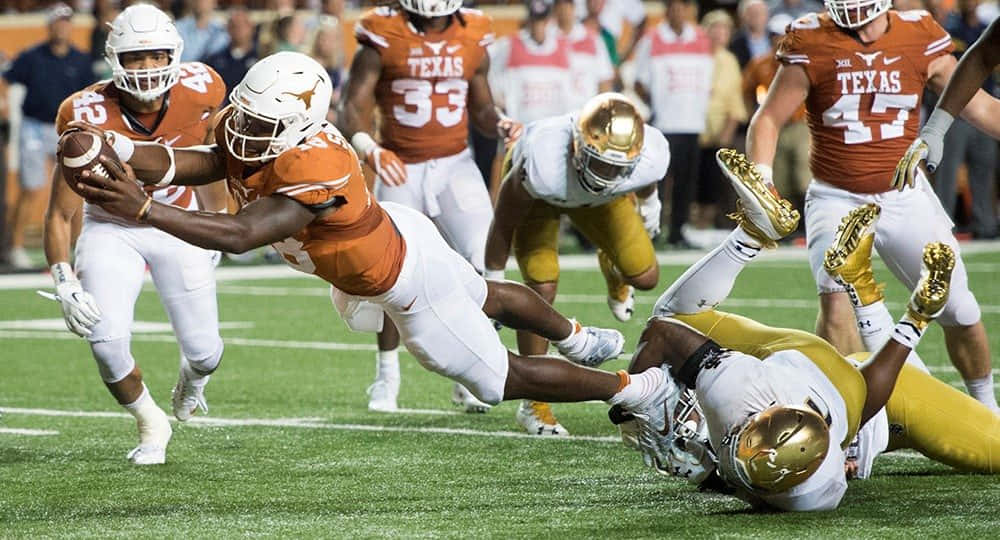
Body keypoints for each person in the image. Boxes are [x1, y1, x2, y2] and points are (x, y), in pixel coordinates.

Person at [70, 52, 666, 455]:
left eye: (258, 122)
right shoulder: (268, 123)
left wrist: (144, 209)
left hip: (403, 281)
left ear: (303, 124)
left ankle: (629, 388)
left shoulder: (319, 163)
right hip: (394, 236)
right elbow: (196, 161)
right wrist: (120, 146)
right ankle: (573, 333)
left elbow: (239, 234)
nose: (243, 129)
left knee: (495, 380)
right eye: (244, 115)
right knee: (482, 294)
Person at [615, 149, 1000, 511]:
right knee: (993, 447)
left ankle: (758, 237)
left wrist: (633, 405)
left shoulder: (734, 398)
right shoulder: (812, 489)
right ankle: (847, 280)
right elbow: (866, 398)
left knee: (675, 322)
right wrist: (916, 320)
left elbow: (665, 336)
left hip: (804, 376)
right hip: (856, 394)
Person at [746, 3, 1000, 410]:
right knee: (835, 296)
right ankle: (842, 416)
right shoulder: (812, 37)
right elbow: (769, 118)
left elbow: (981, 106)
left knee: (959, 305)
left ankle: (987, 407)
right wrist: (760, 177)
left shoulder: (918, 32)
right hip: (835, 194)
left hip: (903, 191)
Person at [44, 4, 229, 465]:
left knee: (206, 353)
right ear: (114, 60)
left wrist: (217, 226)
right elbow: (58, 212)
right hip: (112, 227)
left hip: (176, 222)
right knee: (105, 343)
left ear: (175, 54)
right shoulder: (83, 112)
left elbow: (211, 164)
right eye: (136, 58)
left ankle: (193, 378)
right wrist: (64, 280)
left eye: (156, 56)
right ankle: (150, 419)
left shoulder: (202, 88)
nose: (147, 68)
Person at [339, 0, 521, 416]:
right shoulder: (383, 32)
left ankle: (472, 375)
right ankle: (387, 376)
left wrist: (501, 122)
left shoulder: (473, 32)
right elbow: (352, 105)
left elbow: (482, 107)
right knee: (389, 273)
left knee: (483, 263)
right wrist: (370, 148)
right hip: (402, 165)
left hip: (455, 165)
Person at [484, 93, 666, 435]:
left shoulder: (649, 154)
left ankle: (612, 266)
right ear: (577, 147)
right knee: (540, 286)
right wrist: (491, 284)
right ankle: (534, 405)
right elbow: (503, 223)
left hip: (597, 201)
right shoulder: (541, 161)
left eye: (619, 168)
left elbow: (646, 176)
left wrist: (650, 202)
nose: (608, 174)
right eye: (601, 164)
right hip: (540, 200)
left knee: (645, 275)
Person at [2, 3, 95, 269]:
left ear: (71, 25)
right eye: (57, 22)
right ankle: (15, 246)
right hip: (35, 125)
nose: (62, 26)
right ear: (49, 25)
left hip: (68, 130)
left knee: (76, 190)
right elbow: (6, 79)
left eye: (66, 22)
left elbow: (90, 95)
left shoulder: (81, 59)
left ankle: (78, 246)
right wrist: (4, 102)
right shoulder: (32, 56)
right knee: (30, 188)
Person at [634, 0, 714, 248]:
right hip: (664, 123)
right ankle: (651, 230)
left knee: (685, 182)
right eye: (674, 6)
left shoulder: (701, 38)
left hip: (692, 122)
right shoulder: (652, 39)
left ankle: (678, 231)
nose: (678, 11)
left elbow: (706, 81)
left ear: (689, 10)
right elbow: (639, 81)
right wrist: (657, 104)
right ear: (666, 10)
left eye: (683, 6)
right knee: (656, 179)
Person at [928, 0, 998, 239]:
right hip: (962, 113)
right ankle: (941, 226)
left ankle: (986, 224)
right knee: (947, 171)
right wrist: (937, 125)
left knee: (984, 171)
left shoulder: (983, 25)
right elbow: (980, 57)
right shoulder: (950, 29)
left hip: (981, 107)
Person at [694, 10, 747, 231]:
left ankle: (709, 225)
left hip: (719, 131)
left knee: (715, 182)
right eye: (714, 28)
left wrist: (728, 130)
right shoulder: (695, 57)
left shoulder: (730, 61)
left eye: (724, 29)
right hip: (694, 129)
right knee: (692, 182)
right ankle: (690, 224)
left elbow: (735, 101)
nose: (719, 33)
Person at [489, 0, 575, 125]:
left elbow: (572, 87)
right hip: (522, 129)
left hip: (554, 128)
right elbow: (489, 71)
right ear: (529, 21)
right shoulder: (510, 44)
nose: (538, 26)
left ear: (549, 21)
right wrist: (499, 100)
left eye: (542, 21)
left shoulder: (564, 46)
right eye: (535, 21)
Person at [554, 0, 614, 112]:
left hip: (584, 112)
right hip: (554, 113)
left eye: (567, 5)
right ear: (555, 9)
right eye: (560, 6)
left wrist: (600, 111)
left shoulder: (593, 39)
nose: (564, 11)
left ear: (573, 8)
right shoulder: (548, 39)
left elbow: (604, 80)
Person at [204, 7, 260, 104]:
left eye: (242, 26)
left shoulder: (262, 58)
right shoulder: (214, 60)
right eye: (234, 26)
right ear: (228, 29)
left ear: (252, 28)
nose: (238, 30)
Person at [729, 0, 770, 67]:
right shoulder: (735, 43)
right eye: (752, 13)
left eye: (760, 13)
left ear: (767, 15)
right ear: (743, 16)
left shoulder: (777, 38)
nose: (757, 17)